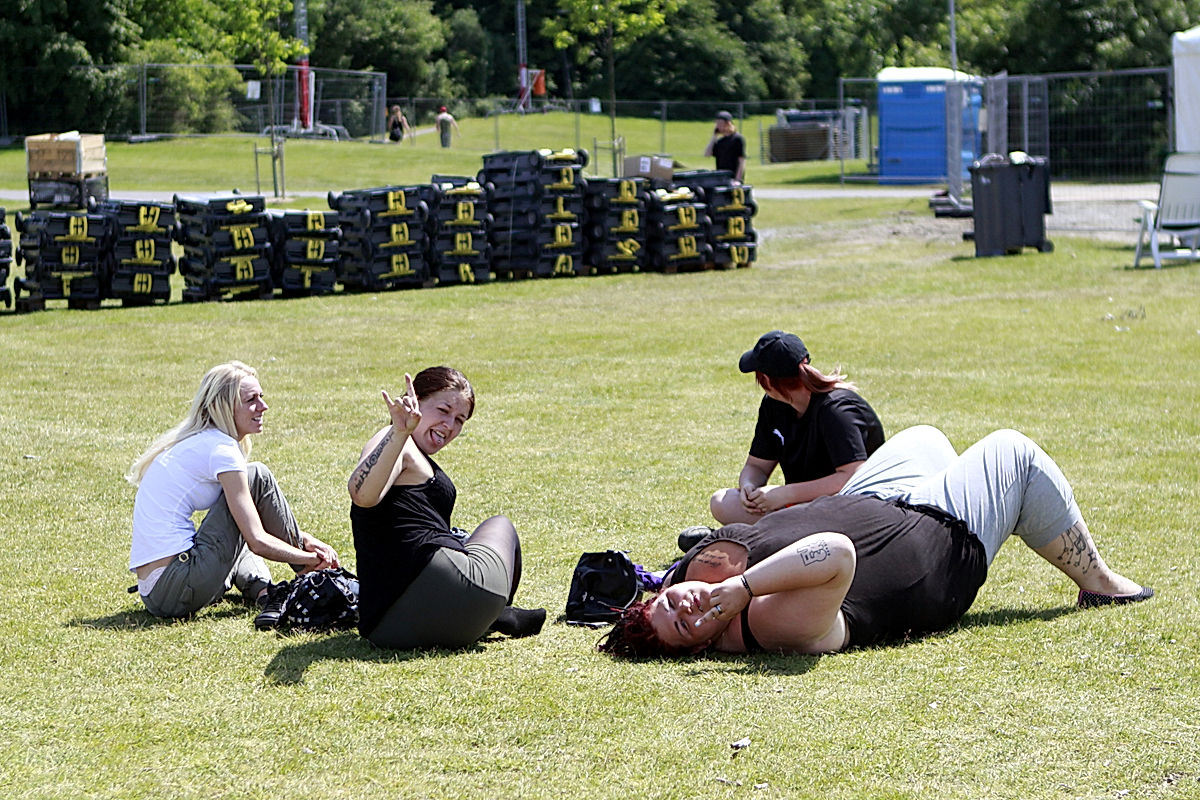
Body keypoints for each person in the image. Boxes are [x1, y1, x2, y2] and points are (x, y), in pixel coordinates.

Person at [599, 426, 1154, 658]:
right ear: (699, 648)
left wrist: (682, 576)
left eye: (670, 602)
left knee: (925, 438)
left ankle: (961, 487)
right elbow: (836, 553)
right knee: (1015, 453)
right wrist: (743, 587)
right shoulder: (767, 625)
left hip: (879, 502)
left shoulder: (695, 588)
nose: (685, 606)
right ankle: (1101, 584)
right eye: (683, 625)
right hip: (937, 542)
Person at [348, 366, 545, 649]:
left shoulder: (403, 447)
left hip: (385, 629)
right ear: (414, 400)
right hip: (451, 594)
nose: (450, 425)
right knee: (500, 525)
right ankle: (499, 615)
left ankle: (494, 616)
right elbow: (363, 496)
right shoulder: (395, 441)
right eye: (443, 410)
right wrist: (399, 432)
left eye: (459, 420)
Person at [127, 361, 339, 621]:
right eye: (251, 400)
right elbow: (257, 541)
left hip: (156, 592)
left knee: (243, 525)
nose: (263, 406)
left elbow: (248, 523)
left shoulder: (201, 441)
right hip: (176, 584)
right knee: (257, 475)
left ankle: (266, 594)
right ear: (225, 407)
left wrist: (303, 539)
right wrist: (308, 557)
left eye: (261, 396)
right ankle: (315, 576)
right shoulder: (222, 449)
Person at [703, 330, 884, 534]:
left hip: (848, 510)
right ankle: (784, 534)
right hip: (801, 508)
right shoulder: (773, 405)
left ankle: (773, 535)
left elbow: (852, 475)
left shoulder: (836, 409)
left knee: (798, 521)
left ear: (767, 380)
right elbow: (757, 465)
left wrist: (786, 494)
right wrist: (748, 486)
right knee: (722, 501)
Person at [704, 110, 746, 183]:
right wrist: (714, 137)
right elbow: (707, 154)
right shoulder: (720, 142)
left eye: (720, 123)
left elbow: (741, 161)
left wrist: (737, 179)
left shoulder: (737, 139)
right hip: (721, 177)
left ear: (728, 123)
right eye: (717, 123)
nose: (718, 126)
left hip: (733, 177)